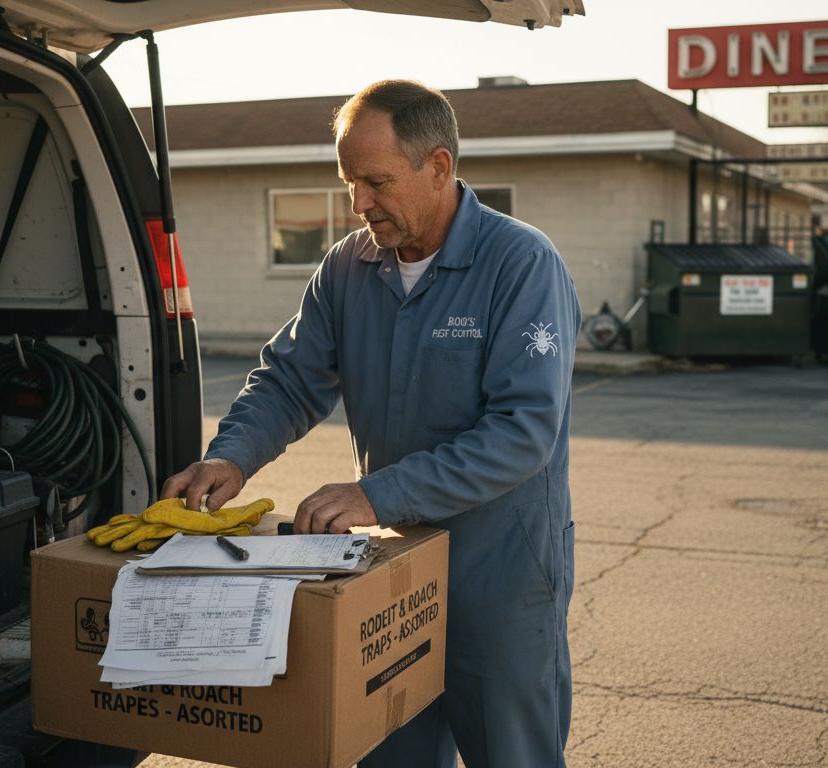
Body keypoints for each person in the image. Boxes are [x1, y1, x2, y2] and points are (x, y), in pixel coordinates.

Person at [161, 79, 580, 768]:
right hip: (391, 577)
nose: (359, 203)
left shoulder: (521, 264)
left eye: (377, 181)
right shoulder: (348, 267)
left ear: (439, 167)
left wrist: (374, 495)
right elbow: (291, 379)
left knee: (515, 757)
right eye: (350, 181)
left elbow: (523, 431)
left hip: (500, 575)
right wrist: (231, 456)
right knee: (388, 753)